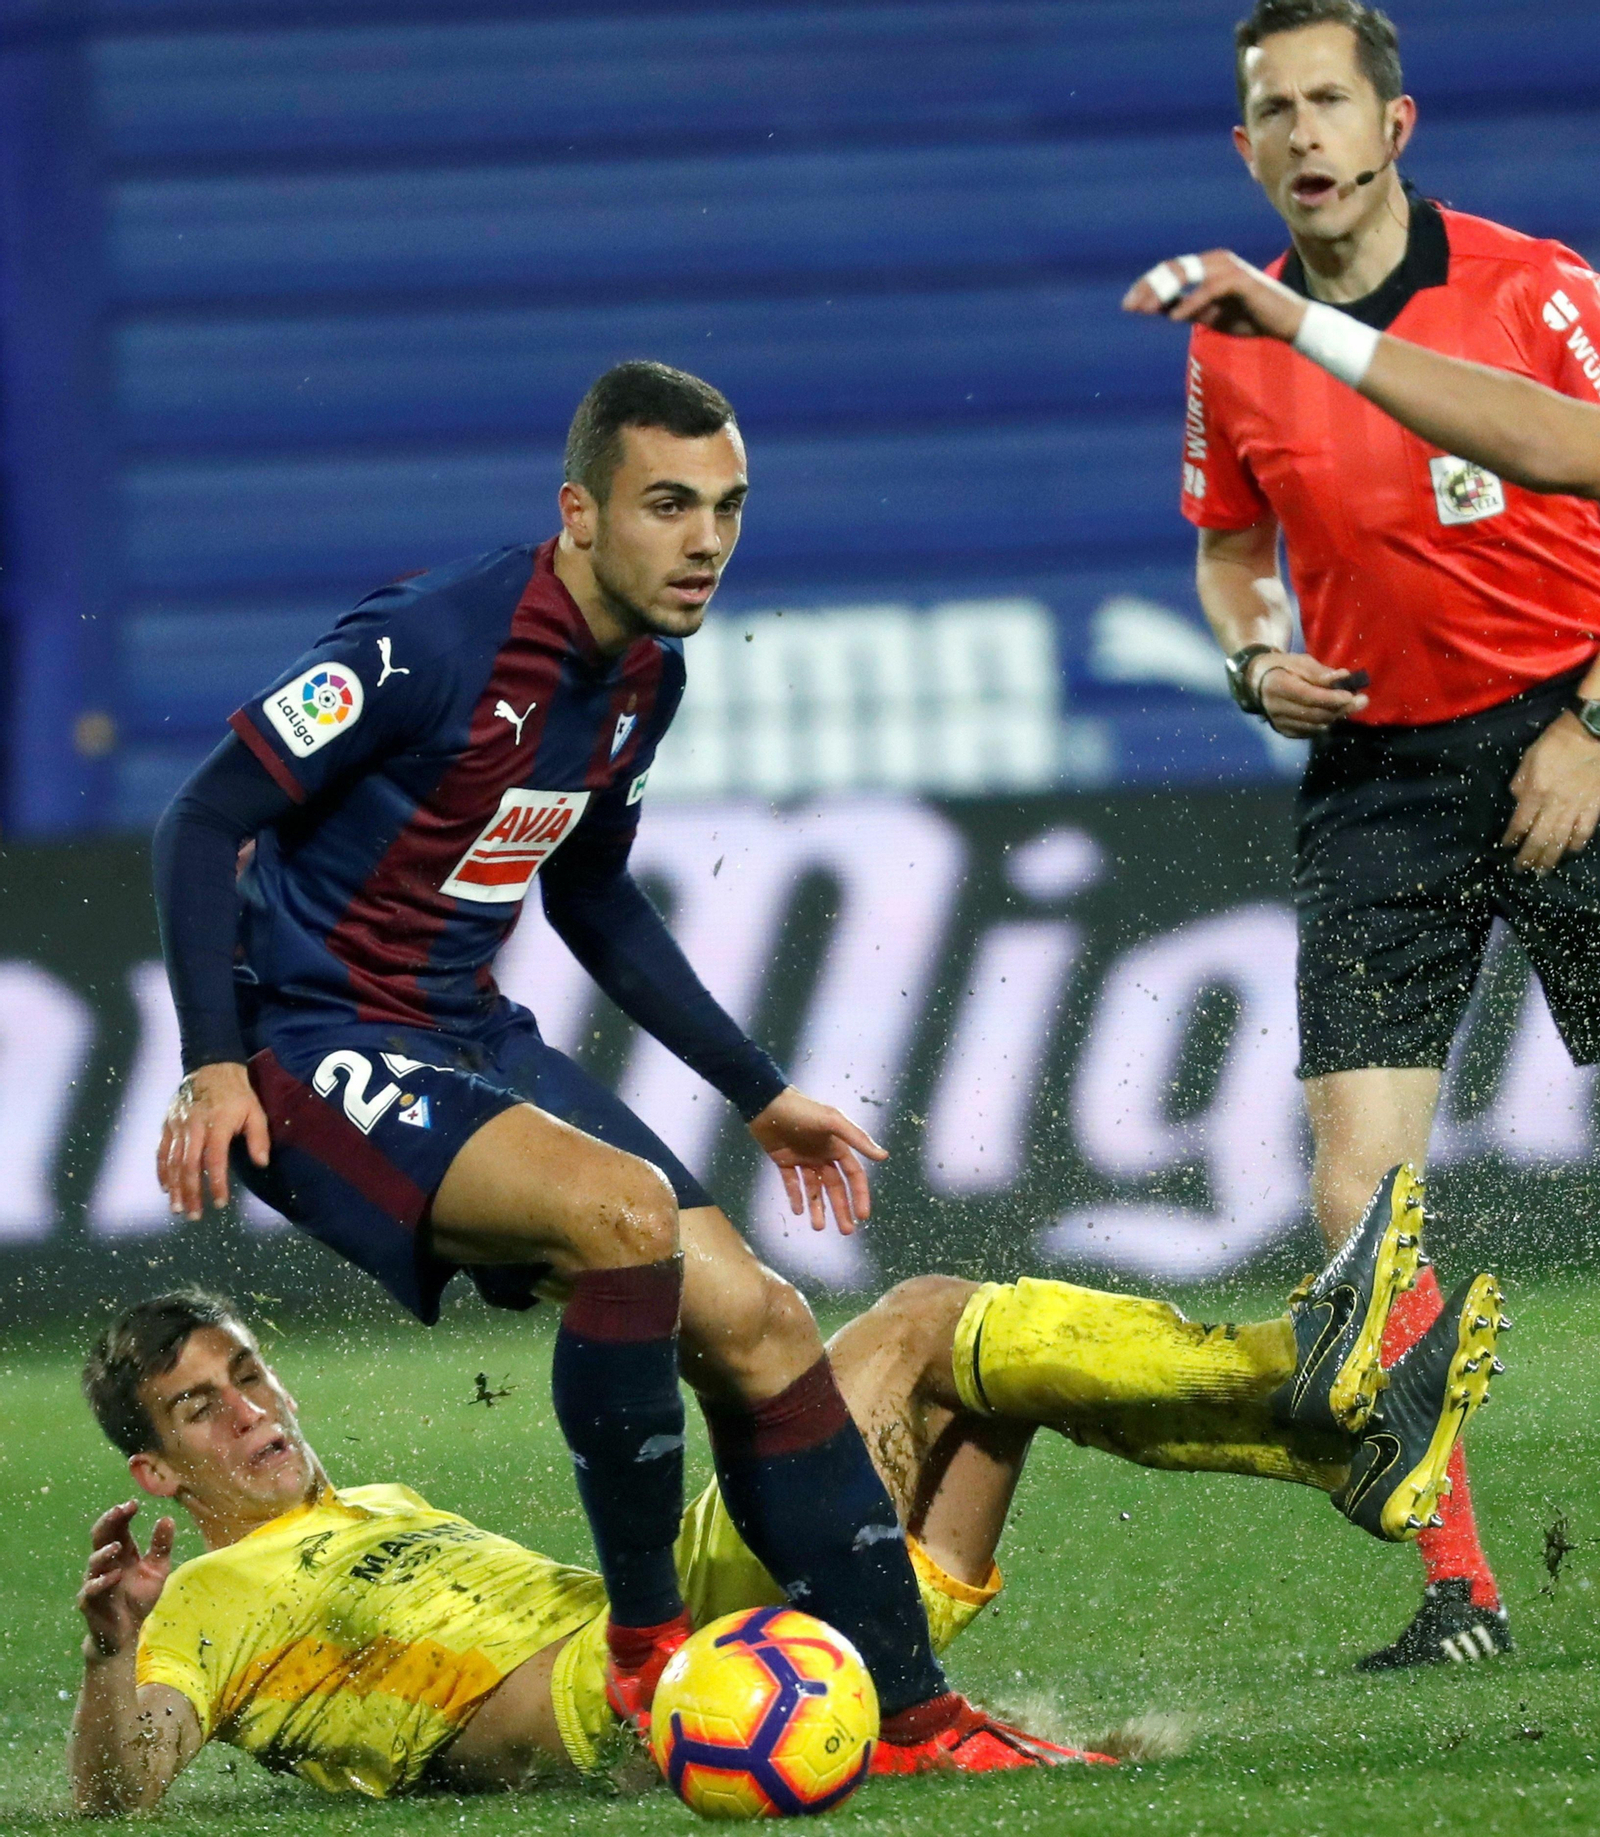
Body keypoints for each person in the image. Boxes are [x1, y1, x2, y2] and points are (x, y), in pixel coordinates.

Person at [146, 361, 994, 1761]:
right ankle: (649, 1650)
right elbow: (197, 816)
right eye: (668, 504)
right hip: (309, 1041)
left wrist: (758, 1087)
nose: (705, 539)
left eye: (727, 507)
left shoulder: (641, 679)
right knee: (622, 1217)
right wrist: (214, 1060)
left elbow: (592, 894)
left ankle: (916, 1716)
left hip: (464, 1031)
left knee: (769, 1323)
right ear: (580, 513)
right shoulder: (431, 643)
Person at [68, 1169, 1504, 1811]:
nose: (250, 1410)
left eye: (248, 1371)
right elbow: (124, 1793)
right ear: (156, 1470)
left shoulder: (370, 1497)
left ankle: (1331, 1434)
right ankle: (1296, 1379)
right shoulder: (206, 1594)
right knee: (930, 1319)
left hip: (743, 1650)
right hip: (674, 1684)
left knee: (976, 1364)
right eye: (202, 1406)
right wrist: (115, 1650)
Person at [1120, 0, 1600, 1668]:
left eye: (1332, 100)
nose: (1305, 133)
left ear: (1398, 127)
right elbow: (1226, 548)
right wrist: (1254, 654)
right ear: (1242, 146)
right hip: (1382, 781)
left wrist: (1592, 723)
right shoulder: (1229, 344)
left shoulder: (1537, 287)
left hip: (1570, 730)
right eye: (1274, 109)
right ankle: (1459, 1582)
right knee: (1354, 1187)